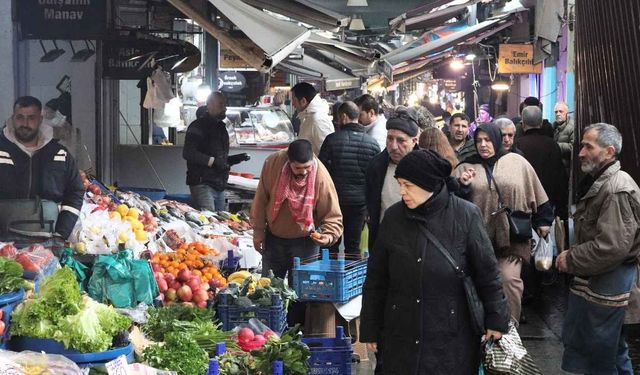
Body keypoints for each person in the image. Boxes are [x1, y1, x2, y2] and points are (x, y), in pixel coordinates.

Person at [360, 149, 510, 375]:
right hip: (401, 332)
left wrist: (496, 319)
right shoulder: (393, 218)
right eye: (400, 184)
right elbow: (377, 278)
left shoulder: (465, 215)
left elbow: (487, 273)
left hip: (451, 334)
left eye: (407, 185)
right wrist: (370, 327)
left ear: (428, 184)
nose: (402, 191)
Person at [556, 123, 640, 375]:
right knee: (611, 350)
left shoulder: (617, 188)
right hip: (602, 280)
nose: (580, 152)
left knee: (602, 353)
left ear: (609, 152)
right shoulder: (601, 182)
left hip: (611, 281)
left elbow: (611, 247)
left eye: (588, 146)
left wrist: (570, 258)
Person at [453, 122, 553, 323]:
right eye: (479, 140)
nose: (483, 145)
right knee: (479, 284)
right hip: (477, 240)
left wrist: (543, 220)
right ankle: (482, 330)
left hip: (512, 237)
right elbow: (453, 204)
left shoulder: (517, 162)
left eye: (488, 140)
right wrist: (462, 186)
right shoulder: (465, 166)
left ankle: (509, 330)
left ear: (496, 140)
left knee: (509, 281)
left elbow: (537, 192)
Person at [250, 139, 343, 324]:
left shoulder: (320, 175)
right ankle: (268, 330)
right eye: (298, 168)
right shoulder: (273, 163)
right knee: (268, 291)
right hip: (274, 238)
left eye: (307, 167)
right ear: (288, 161)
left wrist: (327, 236)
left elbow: (333, 216)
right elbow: (261, 199)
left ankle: (295, 332)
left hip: (305, 242)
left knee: (300, 294)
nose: (304, 172)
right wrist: (258, 231)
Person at [0, 96, 84, 240]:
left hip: (48, 241)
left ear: (40, 119)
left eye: (31, 118)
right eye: (20, 117)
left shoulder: (60, 153)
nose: (25, 123)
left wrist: (61, 235)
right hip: (3, 240)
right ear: (13, 118)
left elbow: (75, 193)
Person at [319, 102, 380, 255]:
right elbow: (375, 177)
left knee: (330, 243)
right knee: (353, 247)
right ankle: (352, 278)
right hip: (359, 204)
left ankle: (330, 277)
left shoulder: (331, 140)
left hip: (334, 203)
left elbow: (321, 173)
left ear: (344, 117)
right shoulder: (372, 143)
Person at [183, 92, 249, 212]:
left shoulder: (221, 127)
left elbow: (219, 158)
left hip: (219, 184)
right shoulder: (197, 126)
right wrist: (213, 162)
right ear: (210, 105)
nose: (225, 107)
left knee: (220, 221)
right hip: (202, 183)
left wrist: (233, 160)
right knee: (208, 221)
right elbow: (189, 153)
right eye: (221, 104)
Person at [365, 114, 420, 250]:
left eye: (401, 140)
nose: (394, 146)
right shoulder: (376, 166)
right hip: (384, 239)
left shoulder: (425, 167)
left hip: (416, 241)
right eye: (390, 139)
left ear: (414, 141)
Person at [516, 106, 568, 219]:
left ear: (523, 124)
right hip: (548, 201)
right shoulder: (552, 144)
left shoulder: (518, 145)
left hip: (524, 203)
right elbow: (560, 177)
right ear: (540, 123)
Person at [291, 82, 334, 155]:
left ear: (303, 101)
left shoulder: (318, 119)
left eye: (294, 100)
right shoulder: (308, 116)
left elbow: (328, 152)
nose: (292, 104)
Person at [552, 101, 575, 173]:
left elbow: (573, 147)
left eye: (561, 111)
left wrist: (556, 146)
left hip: (567, 168)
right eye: (556, 112)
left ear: (567, 113)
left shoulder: (572, 127)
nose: (558, 114)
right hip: (556, 165)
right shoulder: (554, 127)